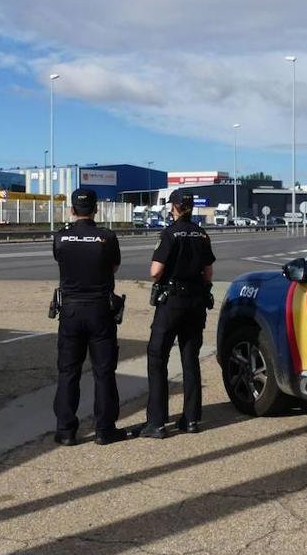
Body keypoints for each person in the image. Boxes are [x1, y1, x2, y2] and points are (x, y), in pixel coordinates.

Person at [52, 187, 129, 446]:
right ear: (96, 209)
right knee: (104, 372)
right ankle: (104, 429)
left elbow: (59, 259)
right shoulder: (106, 237)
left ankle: (65, 430)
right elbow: (114, 266)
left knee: (68, 371)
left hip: (71, 310)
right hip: (99, 310)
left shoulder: (61, 237)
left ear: (72, 210)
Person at [138, 189, 216, 438]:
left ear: (173, 207)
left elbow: (155, 271)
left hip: (172, 302)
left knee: (157, 356)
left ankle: (157, 423)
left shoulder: (170, 233)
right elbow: (208, 273)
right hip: (196, 302)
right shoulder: (202, 234)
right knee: (190, 358)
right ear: (191, 208)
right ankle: (191, 419)